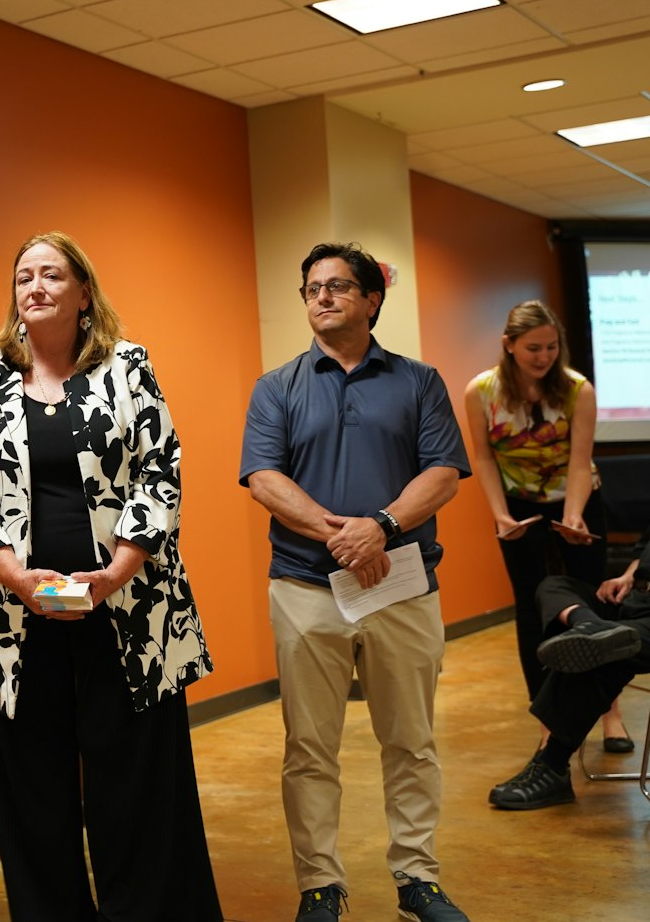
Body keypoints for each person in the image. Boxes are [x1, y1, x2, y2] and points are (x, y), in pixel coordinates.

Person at [0, 231, 223, 921]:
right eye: (24, 276)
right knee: (33, 791)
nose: (35, 287)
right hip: (11, 620)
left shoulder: (129, 367)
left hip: (129, 612)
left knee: (139, 788)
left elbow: (162, 473)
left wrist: (113, 573)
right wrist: (16, 577)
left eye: (53, 275)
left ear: (83, 291)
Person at [240, 242, 472, 922]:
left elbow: (442, 473)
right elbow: (264, 478)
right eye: (312, 287)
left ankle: (417, 878)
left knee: (410, 739)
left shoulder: (419, 380)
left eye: (339, 286)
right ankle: (319, 883)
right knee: (308, 746)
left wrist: (382, 524)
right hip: (306, 588)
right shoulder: (276, 386)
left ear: (372, 299)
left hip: (401, 586)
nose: (323, 297)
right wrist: (340, 534)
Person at [488, 421, 650, 812]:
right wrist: (628, 575)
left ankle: (551, 765)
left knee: (608, 651)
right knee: (554, 585)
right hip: (639, 602)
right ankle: (589, 626)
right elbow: (648, 544)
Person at [463, 301, 628, 750]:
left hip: (577, 497)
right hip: (516, 502)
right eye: (533, 348)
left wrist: (573, 514)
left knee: (592, 602)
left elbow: (579, 463)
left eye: (552, 347)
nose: (544, 357)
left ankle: (610, 713)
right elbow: (482, 456)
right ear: (509, 345)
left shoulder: (577, 389)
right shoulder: (481, 391)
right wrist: (499, 514)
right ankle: (548, 722)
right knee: (532, 605)